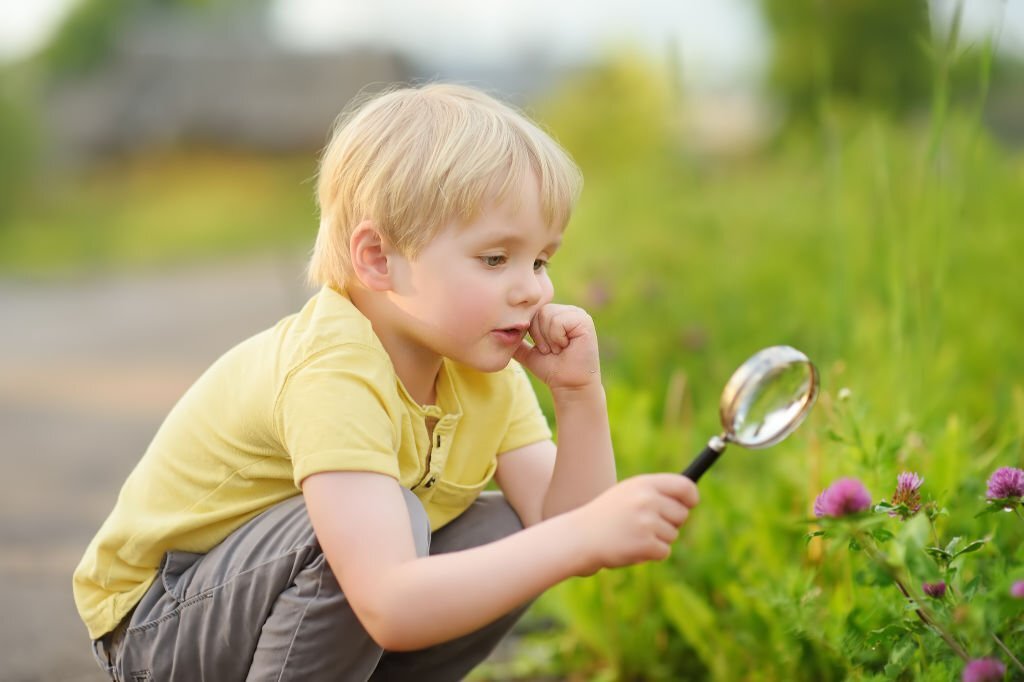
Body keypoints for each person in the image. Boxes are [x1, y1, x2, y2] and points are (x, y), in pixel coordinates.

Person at [73, 82, 700, 681]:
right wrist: (581, 534)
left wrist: (578, 395)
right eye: (494, 258)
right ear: (377, 259)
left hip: (267, 610)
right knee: (377, 531)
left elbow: (564, 526)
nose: (533, 287)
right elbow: (391, 602)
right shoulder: (335, 368)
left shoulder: (479, 362)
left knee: (509, 535)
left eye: (541, 259)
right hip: (161, 626)